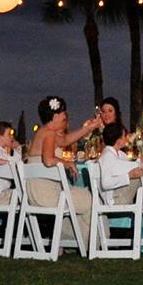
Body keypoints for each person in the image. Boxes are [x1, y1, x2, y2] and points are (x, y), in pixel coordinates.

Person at [26, 96, 101, 248]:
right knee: (92, 199)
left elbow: (66, 140)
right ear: (54, 116)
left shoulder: (44, 132)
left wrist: (89, 127)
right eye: (63, 113)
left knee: (80, 197)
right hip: (48, 196)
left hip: (35, 194)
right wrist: (67, 163)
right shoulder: (49, 133)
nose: (66, 115)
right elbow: (48, 160)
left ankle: (74, 241)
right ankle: (94, 244)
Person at [98, 123, 143, 208]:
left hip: (119, 194)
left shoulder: (120, 154)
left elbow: (128, 165)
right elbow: (106, 183)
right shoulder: (107, 156)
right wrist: (129, 176)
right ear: (118, 141)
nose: (126, 139)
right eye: (124, 136)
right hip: (115, 199)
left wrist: (141, 160)